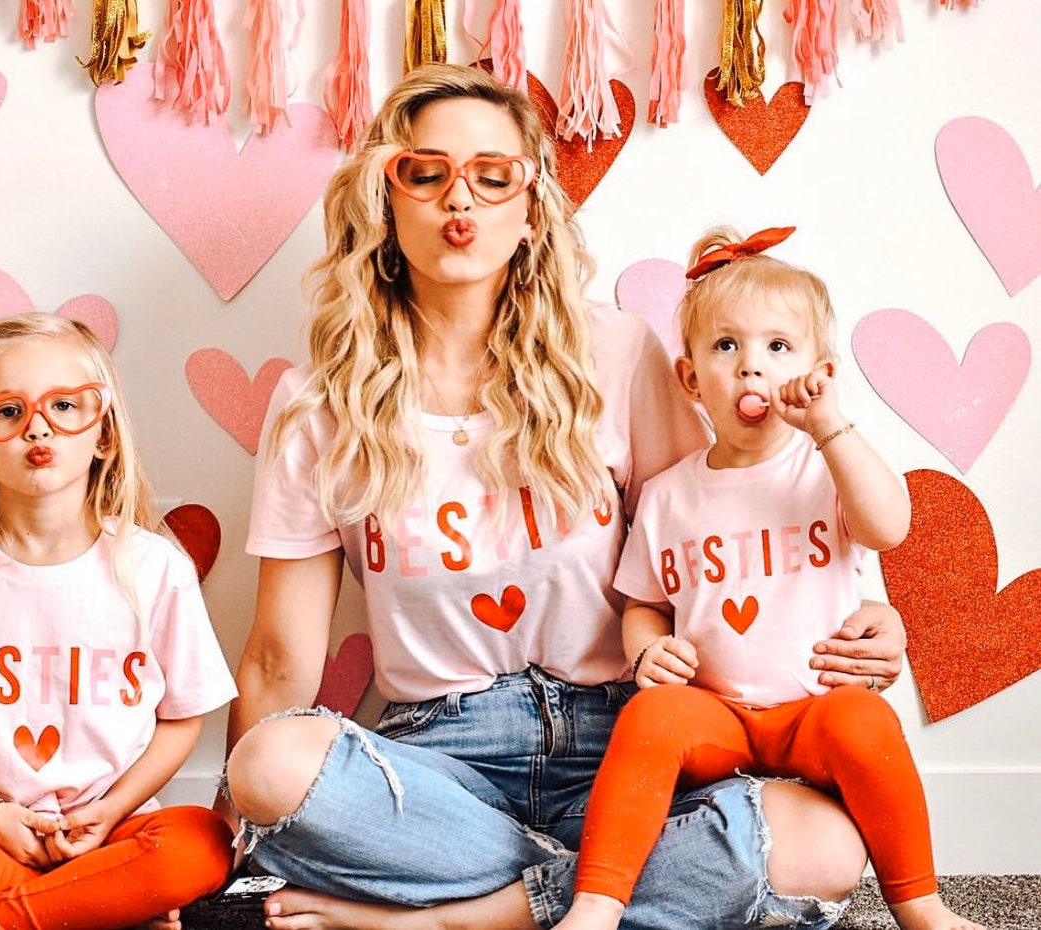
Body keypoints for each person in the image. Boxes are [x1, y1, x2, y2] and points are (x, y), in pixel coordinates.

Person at [222, 64, 908, 930]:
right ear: (386, 199)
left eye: (492, 174)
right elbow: (281, 661)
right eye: (425, 173)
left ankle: (447, 917)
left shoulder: (617, 353)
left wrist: (870, 609)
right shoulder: (318, 403)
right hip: (440, 761)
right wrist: (241, 818)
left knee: (824, 848)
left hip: (630, 743)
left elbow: (715, 526)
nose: (457, 197)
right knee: (270, 766)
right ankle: (591, 896)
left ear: (532, 203)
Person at [557, 226, 980, 930]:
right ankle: (596, 904)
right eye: (727, 347)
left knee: (865, 719)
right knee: (651, 716)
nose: (752, 368)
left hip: (814, 706)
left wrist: (832, 428)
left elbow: (888, 528)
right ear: (691, 378)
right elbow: (643, 604)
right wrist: (645, 650)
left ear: (819, 372)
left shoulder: (825, 466)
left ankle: (921, 903)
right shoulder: (667, 495)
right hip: (715, 711)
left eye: (778, 349)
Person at [0, 313, 237, 930]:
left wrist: (109, 812)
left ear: (103, 433)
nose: (38, 427)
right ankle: (90, 904)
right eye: (5, 411)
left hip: (111, 831)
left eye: (64, 406)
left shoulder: (154, 567)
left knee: (203, 842)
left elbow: (183, 717)